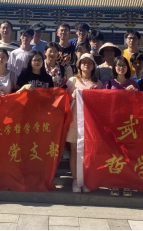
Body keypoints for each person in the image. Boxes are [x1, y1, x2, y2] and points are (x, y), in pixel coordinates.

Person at [65, 53, 103, 194]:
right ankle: (76, 180)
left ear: (93, 66)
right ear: (79, 65)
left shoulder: (98, 84)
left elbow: (101, 105)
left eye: (89, 62)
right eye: (83, 62)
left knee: (88, 153)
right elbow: (64, 100)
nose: (86, 64)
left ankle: (86, 180)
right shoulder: (72, 81)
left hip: (89, 125)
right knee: (75, 151)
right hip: (74, 122)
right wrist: (73, 96)